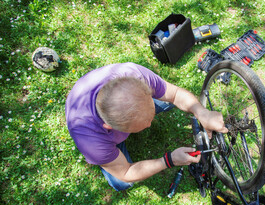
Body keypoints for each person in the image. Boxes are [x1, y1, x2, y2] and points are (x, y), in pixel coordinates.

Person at [65, 62, 228, 191]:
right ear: (110, 127)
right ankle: (113, 153)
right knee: (122, 183)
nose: (150, 125)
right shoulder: (90, 139)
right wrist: (168, 160)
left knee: (168, 102)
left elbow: (176, 94)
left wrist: (202, 112)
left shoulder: (135, 74)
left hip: (115, 100)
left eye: (149, 118)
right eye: (142, 126)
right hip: (100, 132)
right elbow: (126, 172)